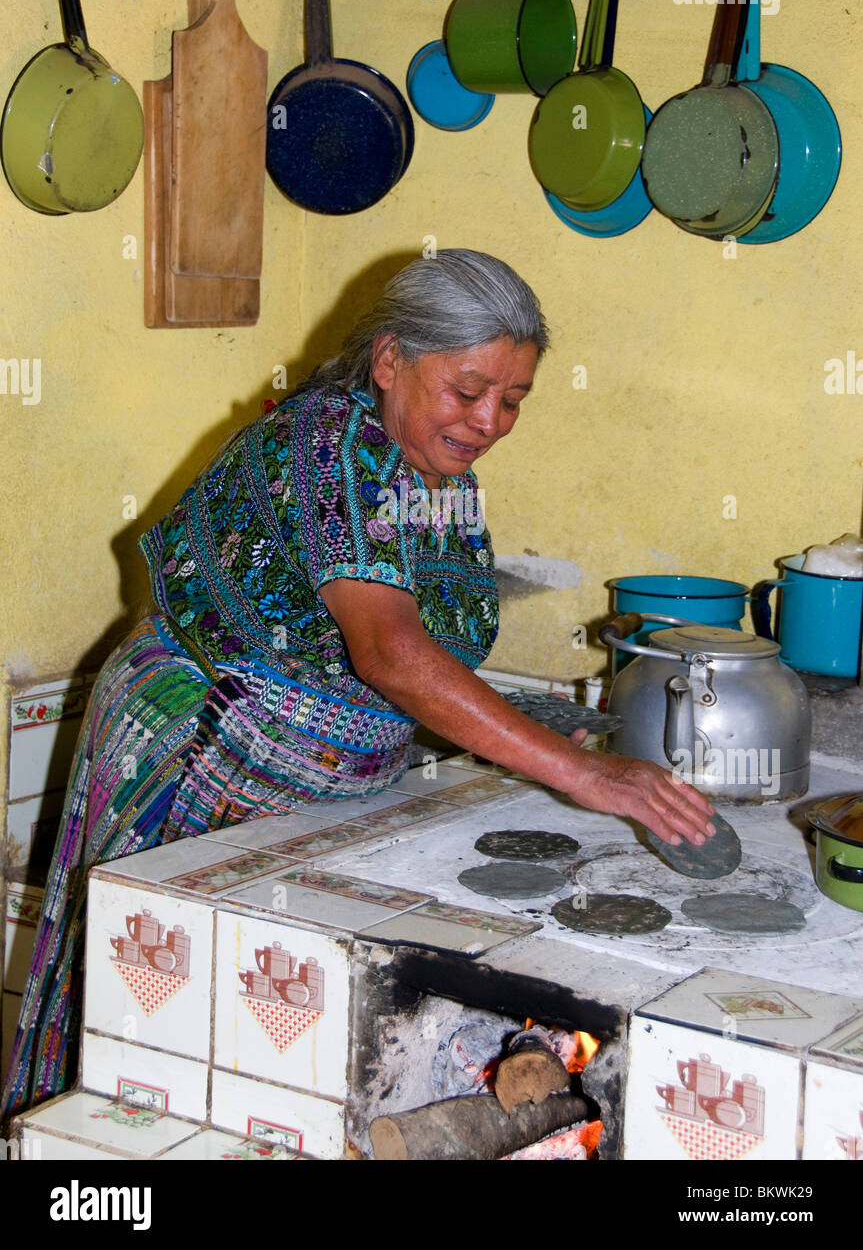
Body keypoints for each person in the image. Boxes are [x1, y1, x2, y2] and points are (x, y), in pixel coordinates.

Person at [1, 249, 713, 1123]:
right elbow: (388, 653)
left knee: (247, 1037)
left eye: (513, 398)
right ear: (389, 361)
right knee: (144, 1010)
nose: (489, 419)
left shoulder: (439, 478)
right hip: (198, 752)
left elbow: (421, 643)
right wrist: (585, 774)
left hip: (303, 778)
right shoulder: (334, 447)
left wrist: (528, 733)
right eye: (468, 389)